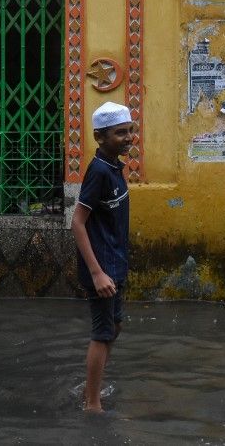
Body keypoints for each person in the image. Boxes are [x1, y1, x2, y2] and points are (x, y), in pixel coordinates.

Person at [71, 101, 134, 412]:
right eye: (119, 133)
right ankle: (92, 404)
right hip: (102, 268)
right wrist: (96, 273)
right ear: (100, 137)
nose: (128, 137)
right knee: (102, 332)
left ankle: (90, 388)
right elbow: (77, 222)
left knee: (115, 326)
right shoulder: (98, 171)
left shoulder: (114, 168)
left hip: (115, 264)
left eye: (130, 131)